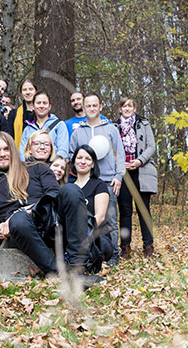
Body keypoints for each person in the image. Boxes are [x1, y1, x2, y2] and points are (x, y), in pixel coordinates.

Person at [0, 132, 103, 284]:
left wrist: (26, 210)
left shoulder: (37, 168)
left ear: (13, 150)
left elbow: (55, 194)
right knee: (18, 220)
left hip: (50, 223)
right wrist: (1, 228)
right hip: (23, 232)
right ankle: (60, 274)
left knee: (71, 189)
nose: (3, 154)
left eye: (6, 149)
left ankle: (78, 268)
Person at [70, 92, 125, 266]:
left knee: (109, 220)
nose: (92, 108)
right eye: (88, 106)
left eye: (95, 105)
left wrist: (118, 176)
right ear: (83, 108)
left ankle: (113, 255)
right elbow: (72, 155)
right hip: (85, 182)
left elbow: (120, 154)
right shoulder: (78, 133)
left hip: (108, 181)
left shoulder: (111, 129)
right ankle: (87, 254)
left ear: (100, 107)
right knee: (86, 219)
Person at [115, 97, 158, 258]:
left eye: (130, 106)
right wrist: (121, 164)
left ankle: (148, 245)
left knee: (143, 209)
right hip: (123, 172)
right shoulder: (114, 126)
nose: (127, 108)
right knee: (125, 210)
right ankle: (125, 247)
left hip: (142, 170)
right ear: (120, 109)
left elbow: (151, 146)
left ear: (134, 108)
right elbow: (111, 148)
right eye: (124, 106)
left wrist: (139, 161)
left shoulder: (144, 124)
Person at [71, 145, 113, 271]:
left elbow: (100, 217)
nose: (83, 162)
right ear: (74, 162)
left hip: (96, 237)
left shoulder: (99, 185)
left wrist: (81, 236)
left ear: (93, 164)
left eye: (87, 159)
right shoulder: (68, 187)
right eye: (79, 158)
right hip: (72, 238)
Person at [19, 91, 69, 160]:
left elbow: (63, 150)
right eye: (38, 103)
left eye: (44, 103)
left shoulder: (59, 125)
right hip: (31, 167)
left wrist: (54, 164)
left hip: (53, 166)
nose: (41, 106)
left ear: (49, 106)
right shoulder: (28, 129)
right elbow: (22, 152)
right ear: (33, 106)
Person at [7, 79, 37, 149]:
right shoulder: (13, 114)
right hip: (19, 155)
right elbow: (10, 138)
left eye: (30, 89)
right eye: (24, 90)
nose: (28, 92)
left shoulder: (42, 114)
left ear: (36, 92)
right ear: (21, 94)